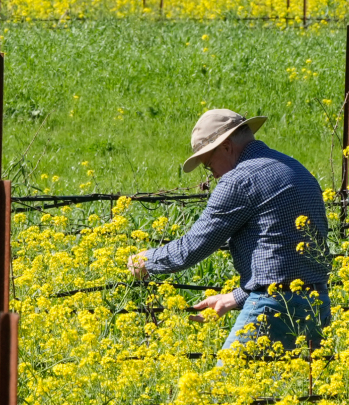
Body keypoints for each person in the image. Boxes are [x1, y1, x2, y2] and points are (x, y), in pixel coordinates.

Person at [128, 108, 331, 361]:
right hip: (317, 304)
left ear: (226, 146)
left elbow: (192, 247)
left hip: (274, 308)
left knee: (224, 384)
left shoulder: (239, 180)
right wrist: (235, 297)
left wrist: (145, 261)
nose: (212, 175)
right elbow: (289, 258)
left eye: (209, 164)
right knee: (293, 385)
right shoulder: (296, 168)